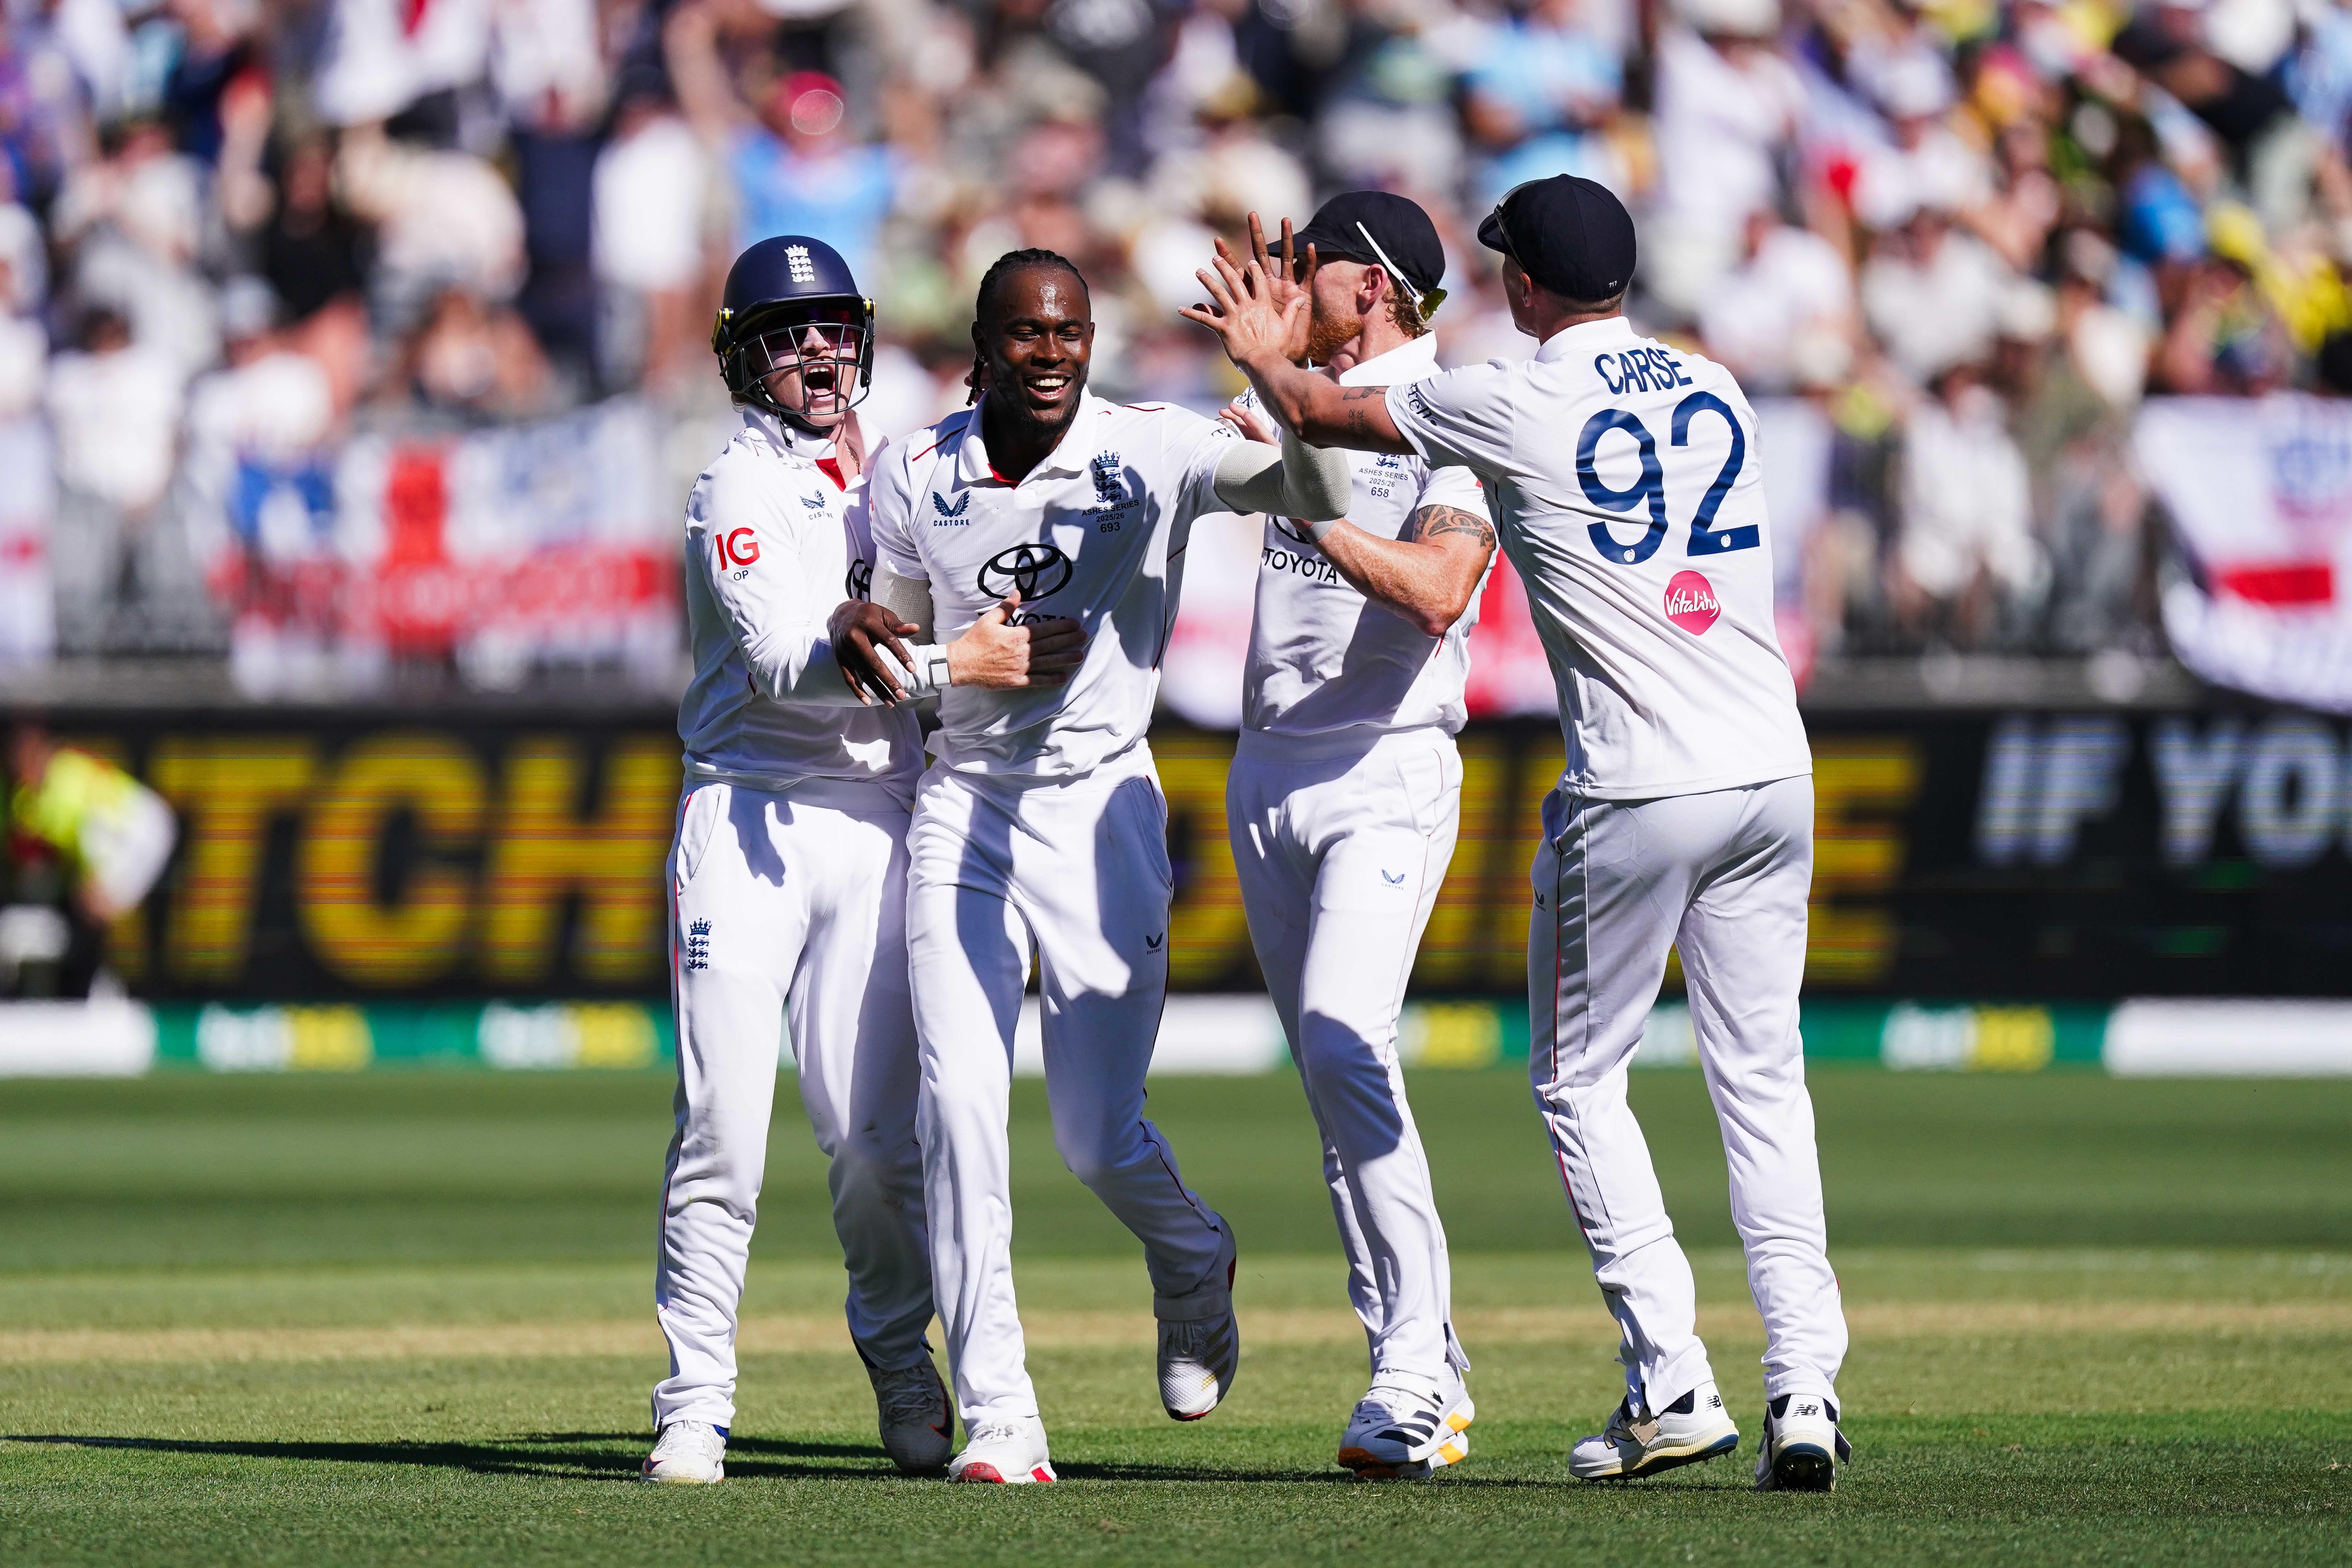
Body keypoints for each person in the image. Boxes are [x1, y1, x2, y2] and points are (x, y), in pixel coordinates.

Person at [1184, 176, 1853, 1492]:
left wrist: (1266, 363)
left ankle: (1671, 1380)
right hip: (1774, 764)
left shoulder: (1501, 393)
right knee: (1764, 1081)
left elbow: (1324, 418)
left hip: (1640, 781)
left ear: (1530, 287)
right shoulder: (1714, 383)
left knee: (1577, 1083)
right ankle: (1807, 1391)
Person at [831, 247, 1352, 1484]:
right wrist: (968, 661)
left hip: (1102, 809)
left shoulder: (1153, 445)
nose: (1051, 353)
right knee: (955, 1112)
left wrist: (1279, 373)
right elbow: (890, 649)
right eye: (1026, 334)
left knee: (1093, 1137)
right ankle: (1001, 1416)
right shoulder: (911, 466)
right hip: (962, 807)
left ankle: (1190, 1257)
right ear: (981, 341)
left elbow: (1313, 485)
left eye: (1069, 332)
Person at [642, 235, 1084, 1486]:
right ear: (744, 358)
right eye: (789, 335)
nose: (818, 353)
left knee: (873, 1145)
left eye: (834, 328)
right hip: (750, 816)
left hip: (882, 812)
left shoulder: (901, 463)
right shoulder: (731, 485)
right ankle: (694, 1402)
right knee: (724, 1128)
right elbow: (788, 657)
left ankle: (900, 1362)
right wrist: (962, 665)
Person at [1214, 195, 1494, 1481]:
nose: (1284, 279)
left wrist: (1293, 468)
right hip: (1268, 765)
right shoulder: (1297, 396)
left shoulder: (1454, 414)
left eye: (1305, 262)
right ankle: (1417, 1360)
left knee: (1344, 1036)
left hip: (1385, 765)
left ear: (1370, 283)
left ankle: (1416, 1373)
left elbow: (1438, 593)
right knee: (1334, 1090)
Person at [2, 717, 176, 996]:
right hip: (121, 835)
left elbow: (101, 826)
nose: (20, 764)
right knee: (84, 908)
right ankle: (96, 988)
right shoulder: (27, 796)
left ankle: (102, 993)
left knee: (92, 906)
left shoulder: (66, 782)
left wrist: (97, 879)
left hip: (142, 832)